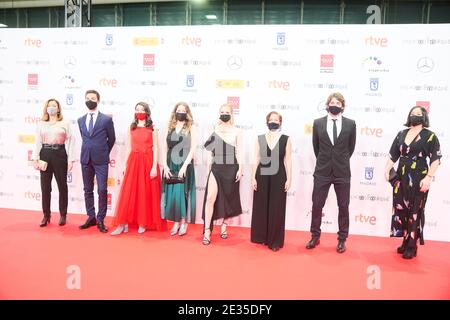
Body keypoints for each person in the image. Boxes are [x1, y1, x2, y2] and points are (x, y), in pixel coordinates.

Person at [384, 106, 441, 259]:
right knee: (401, 210)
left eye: (418, 114)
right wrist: (386, 169)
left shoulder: (430, 136)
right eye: (412, 113)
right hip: (400, 178)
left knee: (415, 210)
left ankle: (412, 245)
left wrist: (428, 177)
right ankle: (405, 240)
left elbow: (436, 160)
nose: (415, 116)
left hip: (419, 178)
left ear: (424, 117)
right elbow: (392, 156)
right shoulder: (401, 134)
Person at [306, 92, 356, 253]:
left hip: (342, 172)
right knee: (317, 205)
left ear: (342, 106)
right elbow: (316, 147)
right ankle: (315, 236)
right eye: (332, 102)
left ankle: (342, 239)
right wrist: (326, 160)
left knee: (343, 206)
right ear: (327, 105)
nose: (335, 104)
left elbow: (350, 148)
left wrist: (339, 160)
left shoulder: (350, 124)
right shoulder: (318, 123)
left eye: (338, 102)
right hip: (322, 171)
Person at [110, 102, 166, 235]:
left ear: (147, 112)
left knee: (145, 192)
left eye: (142, 109)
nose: (139, 111)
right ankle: (122, 224)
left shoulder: (153, 128)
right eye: (137, 109)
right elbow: (128, 147)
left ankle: (143, 222)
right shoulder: (132, 127)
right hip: (134, 162)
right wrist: (125, 164)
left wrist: (154, 167)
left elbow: (156, 148)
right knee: (128, 193)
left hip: (147, 162)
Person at [202, 104, 243, 245]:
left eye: (227, 112)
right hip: (217, 166)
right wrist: (208, 169)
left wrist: (240, 169)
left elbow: (240, 152)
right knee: (210, 197)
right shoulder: (214, 129)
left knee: (228, 197)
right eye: (222, 112)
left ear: (232, 114)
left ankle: (224, 224)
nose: (224, 114)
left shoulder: (237, 131)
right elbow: (209, 151)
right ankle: (207, 229)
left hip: (232, 167)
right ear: (219, 113)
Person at [251, 111, 292, 251]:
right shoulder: (260, 138)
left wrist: (289, 178)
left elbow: (288, 160)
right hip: (262, 174)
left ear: (280, 122)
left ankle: (274, 241)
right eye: (271, 119)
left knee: (276, 207)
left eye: (276, 120)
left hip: (279, 175)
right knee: (261, 205)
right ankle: (261, 236)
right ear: (266, 121)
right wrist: (252, 177)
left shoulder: (286, 139)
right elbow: (256, 158)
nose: (273, 121)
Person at [32, 98, 75, 227]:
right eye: (49, 105)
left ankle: (63, 215)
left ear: (58, 109)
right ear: (46, 108)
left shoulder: (65, 123)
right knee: (45, 187)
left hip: (60, 154)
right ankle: (46, 215)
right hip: (44, 154)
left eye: (54, 106)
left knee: (62, 186)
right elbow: (38, 142)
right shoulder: (41, 124)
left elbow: (71, 141)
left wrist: (71, 159)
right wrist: (35, 158)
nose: (51, 107)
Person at [77, 90, 116, 233]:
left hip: (101, 160)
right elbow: (84, 137)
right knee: (87, 189)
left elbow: (111, 139)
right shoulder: (80, 120)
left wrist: (104, 151)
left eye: (93, 98)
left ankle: (100, 219)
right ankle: (91, 216)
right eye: (87, 98)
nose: (90, 100)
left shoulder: (106, 119)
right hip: (85, 158)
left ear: (98, 101)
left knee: (102, 189)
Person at [161, 102, 197, 236]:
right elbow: (164, 147)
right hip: (171, 163)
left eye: (183, 110)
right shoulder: (169, 126)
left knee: (183, 193)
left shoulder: (191, 126)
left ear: (187, 112)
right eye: (178, 109)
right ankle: (175, 222)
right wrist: (164, 165)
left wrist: (184, 166)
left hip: (184, 164)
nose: (180, 112)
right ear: (174, 111)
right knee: (172, 193)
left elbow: (193, 148)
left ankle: (183, 222)